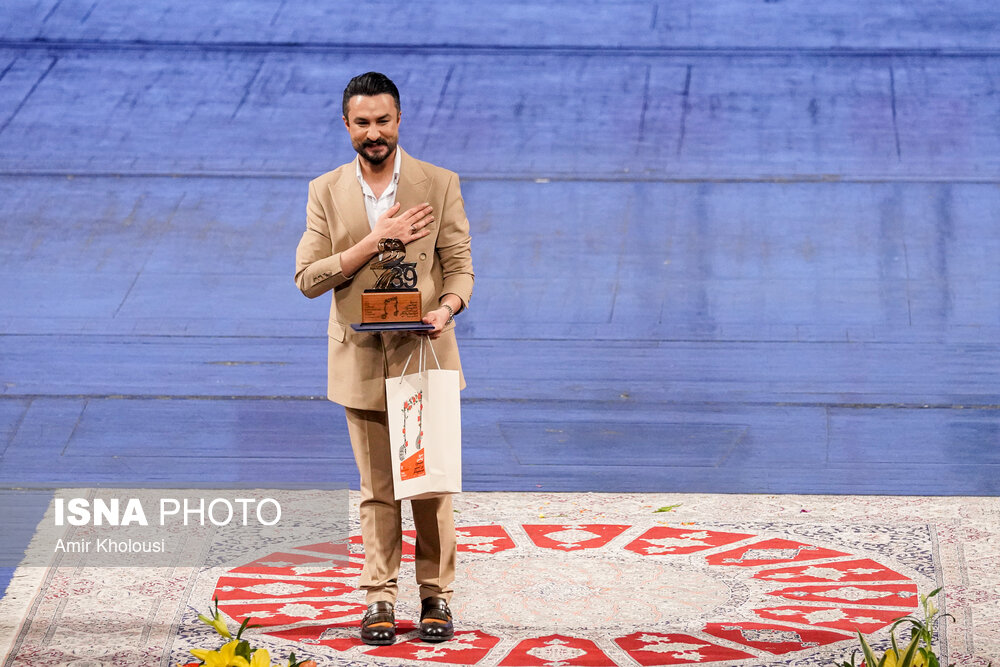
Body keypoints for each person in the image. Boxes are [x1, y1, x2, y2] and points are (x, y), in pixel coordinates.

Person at [294, 72, 473, 646]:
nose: (374, 133)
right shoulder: (325, 191)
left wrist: (446, 309)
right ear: (346, 126)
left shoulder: (439, 183)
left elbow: (461, 265)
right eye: (362, 122)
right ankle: (379, 598)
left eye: (384, 120)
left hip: (424, 351)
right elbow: (307, 279)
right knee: (378, 488)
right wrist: (377, 237)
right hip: (361, 360)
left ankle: (434, 594)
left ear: (400, 120)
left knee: (428, 485)